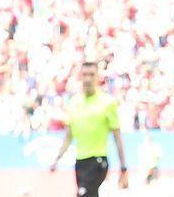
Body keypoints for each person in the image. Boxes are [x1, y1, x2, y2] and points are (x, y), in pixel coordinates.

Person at [49, 61, 129, 197]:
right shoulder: (74, 102)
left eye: (91, 75)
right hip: (80, 163)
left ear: (98, 77)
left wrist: (123, 168)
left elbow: (117, 137)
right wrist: (57, 158)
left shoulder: (107, 102)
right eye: (85, 74)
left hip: (98, 161)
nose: (88, 78)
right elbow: (69, 136)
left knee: (83, 194)